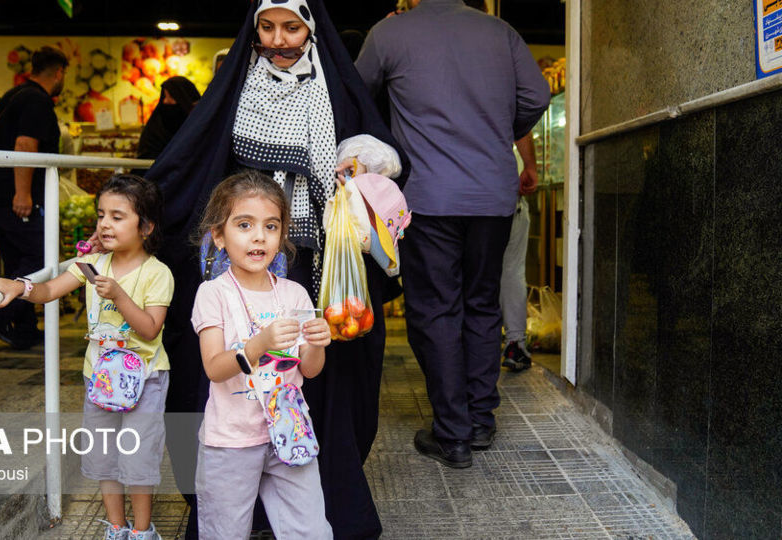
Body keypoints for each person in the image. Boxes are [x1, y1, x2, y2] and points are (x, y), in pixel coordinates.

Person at [143, 1, 407, 536]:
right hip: (242, 261)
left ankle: (311, 503)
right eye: (267, 27)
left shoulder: (336, 90)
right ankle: (235, 502)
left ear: (311, 29)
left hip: (316, 262)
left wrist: (358, 167)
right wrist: (136, 210)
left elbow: (385, 159)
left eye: (291, 27)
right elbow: (193, 158)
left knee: (313, 375)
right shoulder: (235, 88)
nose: (279, 39)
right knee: (233, 372)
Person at [356, 0, 550, 468]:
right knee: (482, 304)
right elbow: (538, 96)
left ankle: (453, 433)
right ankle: (480, 420)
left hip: (428, 196)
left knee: (436, 309)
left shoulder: (389, 34)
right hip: (492, 195)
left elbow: (356, 96)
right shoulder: (501, 32)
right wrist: (496, 130)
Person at [0, 174, 173, 540]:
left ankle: (142, 531)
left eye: (117, 216)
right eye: (101, 215)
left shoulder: (157, 273)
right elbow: (49, 291)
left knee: (138, 458)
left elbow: (150, 329)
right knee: (104, 457)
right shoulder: (91, 264)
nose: (105, 224)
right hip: (99, 379)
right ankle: (116, 527)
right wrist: (19, 286)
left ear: (146, 227)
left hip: (146, 380)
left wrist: (118, 295)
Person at [191, 170, 332, 538]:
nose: (259, 236)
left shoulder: (294, 294)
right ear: (218, 236)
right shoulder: (213, 294)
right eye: (244, 225)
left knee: (311, 531)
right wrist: (259, 343)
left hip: (290, 429)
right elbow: (214, 368)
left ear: (282, 235)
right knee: (225, 532)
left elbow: (310, 370)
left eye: (271, 226)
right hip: (232, 440)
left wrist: (317, 342)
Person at [0, 46, 67, 349]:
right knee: (40, 254)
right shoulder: (36, 100)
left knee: (17, 258)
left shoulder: (15, 94)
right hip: (13, 193)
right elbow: (25, 145)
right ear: (59, 73)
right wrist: (23, 193)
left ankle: (26, 327)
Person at [501, 131, 538, 371]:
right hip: (501, 197)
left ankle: (461, 346)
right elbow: (522, 127)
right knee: (511, 271)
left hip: (446, 201)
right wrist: (530, 166)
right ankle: (515, 343)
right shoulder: (499, 101)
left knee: (466, 273)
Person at [136, 76, 200, 161]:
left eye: (172, 97)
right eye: (164, 96)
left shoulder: (199, 126)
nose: (166, 101)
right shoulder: (155, 128)